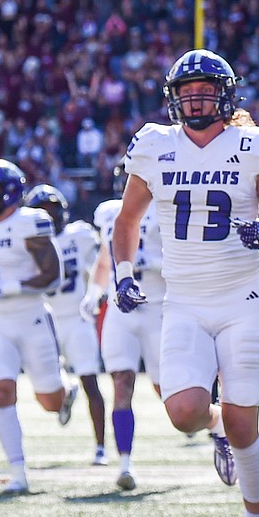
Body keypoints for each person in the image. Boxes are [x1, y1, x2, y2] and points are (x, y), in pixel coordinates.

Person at [112, 49, 259, 517]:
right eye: (186, 91)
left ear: (226, 96)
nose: (195, 99)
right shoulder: (155, 145)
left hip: (241, 298)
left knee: (248, 427)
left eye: (205, 89)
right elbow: (127, 222)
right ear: (173, 98)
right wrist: (123, 273)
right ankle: (214, 426)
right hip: (183, 301)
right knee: (183, 413)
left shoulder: (251, 145)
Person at [0, 159, 77, 495]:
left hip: (32, 318)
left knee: (49, 401)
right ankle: (18, 471)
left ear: (10, 191)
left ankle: (66, 390)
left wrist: (15, 286)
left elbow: (53, 274)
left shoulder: (31, 222)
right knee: (3, 392)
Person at [84, 179, 166, 492]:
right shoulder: (109, 213)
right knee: (121, 383)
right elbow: (106, 259)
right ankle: (125, 464)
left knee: (169, 391)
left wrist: (151, 262)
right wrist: (94, 292)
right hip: (122, 311)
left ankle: (214, 426)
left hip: (158, 307)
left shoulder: (166, 209)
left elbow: (185, 259)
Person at [27, 183, 107, 467]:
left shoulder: (80, 235)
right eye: (42, 212)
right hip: (44, 318)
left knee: (90, 381)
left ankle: (101, 447)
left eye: (52, 211)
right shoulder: (26, 240)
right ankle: (64, 390)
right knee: (43, 385)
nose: (49, 217)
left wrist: (95, 294)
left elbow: (100, 265)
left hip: (76, 318)